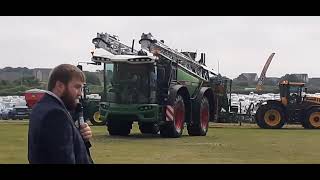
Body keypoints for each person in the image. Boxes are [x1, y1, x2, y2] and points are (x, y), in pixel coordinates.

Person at [28, 64, 93, 164]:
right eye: (77, 87)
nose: (80, 93)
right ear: (59, 86)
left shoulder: (41, 107)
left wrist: (78, 135)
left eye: (81, 88)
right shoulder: (56, 114)